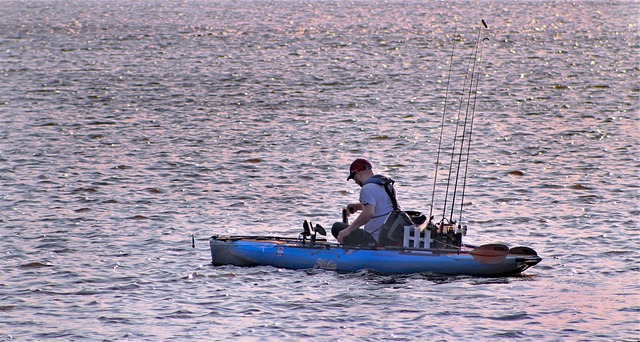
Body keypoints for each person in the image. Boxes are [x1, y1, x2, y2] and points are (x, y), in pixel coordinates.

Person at [332, 158, 400, 247]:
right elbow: (381, 205)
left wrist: (348, 230)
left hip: (374, 239)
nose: (355, 181)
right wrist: (357, 206)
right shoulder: (386, 184)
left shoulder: (367, 188)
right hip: (389, 237)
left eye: (353, 177)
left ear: (358, 174)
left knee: (336, 227)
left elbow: (368, 214)